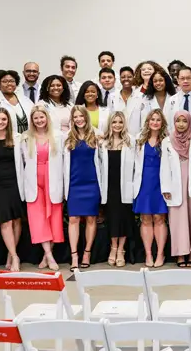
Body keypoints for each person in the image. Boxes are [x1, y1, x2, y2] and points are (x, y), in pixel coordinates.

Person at [163, 110, 191, 268]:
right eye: (178, 121)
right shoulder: (167, 141)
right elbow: (164, 167)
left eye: (184, 121)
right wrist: (166, 187)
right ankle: (180, 253)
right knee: (177, 219)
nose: (181, 124)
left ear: (189, 123)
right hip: (175, 185)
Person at [22, 105, 63, 271]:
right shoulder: (25, 138)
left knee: (53, 219)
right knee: (38, 220)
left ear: (47, 118)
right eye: (36, 118)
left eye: (42, 117)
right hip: (34, 182)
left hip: (52, 181)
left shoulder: (59, 136)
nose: (39, 120)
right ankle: (50, 255)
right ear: (32, 121)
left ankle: (47, 255)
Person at [63, 106, 101, 270]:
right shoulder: (67, 137)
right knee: (73, 219)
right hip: (74, 183)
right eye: (75, 116)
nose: (79, 119)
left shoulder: (96, 135)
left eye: (81, 116)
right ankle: (74, 256)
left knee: (91, 219)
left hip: (92, 183)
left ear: (86, 117)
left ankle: (87, 252)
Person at [0, 108, 24, 271]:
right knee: (5, 220)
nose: (0, 122)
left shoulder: (17, 139)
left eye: (3, 119)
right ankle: (15, 256)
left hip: (15, 184)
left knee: (16, 219)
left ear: (8, 121)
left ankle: (10, 253)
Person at [132, 109, 170, 268]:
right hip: (143, 183)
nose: (155, 122)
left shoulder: (167, 141)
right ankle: (148, 254)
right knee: (146, 219)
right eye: (152, 119)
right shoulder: (139, 140)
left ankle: (160, 253)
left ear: (162, 123)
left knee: (159, 219)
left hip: (161, 184)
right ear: (148, 122)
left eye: (158, 120)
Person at [100, 112, 135, 267]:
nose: (117, 125)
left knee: (125, 218)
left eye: (120, 122)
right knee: (113, 218)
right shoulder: (102, 143)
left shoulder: (131, 142)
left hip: (125, 186)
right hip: (110, 186)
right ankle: (113, 248)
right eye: (114, 122)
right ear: (110, 124)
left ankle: (121, 250)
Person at [0, 70, 34, 138]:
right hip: (4, 143)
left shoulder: (26, 101)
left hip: (28, 142)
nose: (9, 84)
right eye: (5, 81)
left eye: (12, 81)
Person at [133, 70, 176, 135]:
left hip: (171, 136)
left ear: (166, 81)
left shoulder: (174, 98)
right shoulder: (146, 99)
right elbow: (144, 122)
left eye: (161, 80)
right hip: (151, 136)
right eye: (155, 81)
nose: (158, 83)